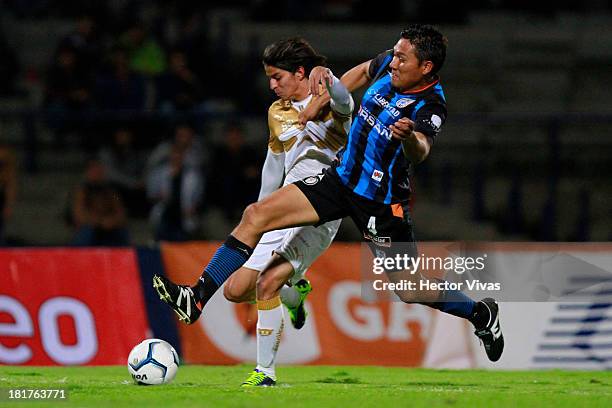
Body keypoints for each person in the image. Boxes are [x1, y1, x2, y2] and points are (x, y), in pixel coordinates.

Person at [153, 25, 504, 367]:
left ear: (425, 67)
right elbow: (361, 73)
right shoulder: (388, 63)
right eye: (395, 54)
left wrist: (409, 136)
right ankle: (196, 297)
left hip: (379, 204)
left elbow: (422, 150)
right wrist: (324, 95)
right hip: (338, 181)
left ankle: (479, 312)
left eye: (402, 59)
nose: (393, 62)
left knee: (409, 289)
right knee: (255, 215)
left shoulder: (431, 105)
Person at [156, 37, 353, 386]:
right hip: (283, 206)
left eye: (277, 77)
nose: (272, 85)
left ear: (301, 72)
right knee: (234, 290)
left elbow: (346, 101)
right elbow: (273, 166)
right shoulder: (277, 112)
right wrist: (258, 217)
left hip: (320, 208)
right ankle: (295, 294)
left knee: (266, 283)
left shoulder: (325, 101)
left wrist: (332, 79)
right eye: (269, 78)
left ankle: (265, 372)